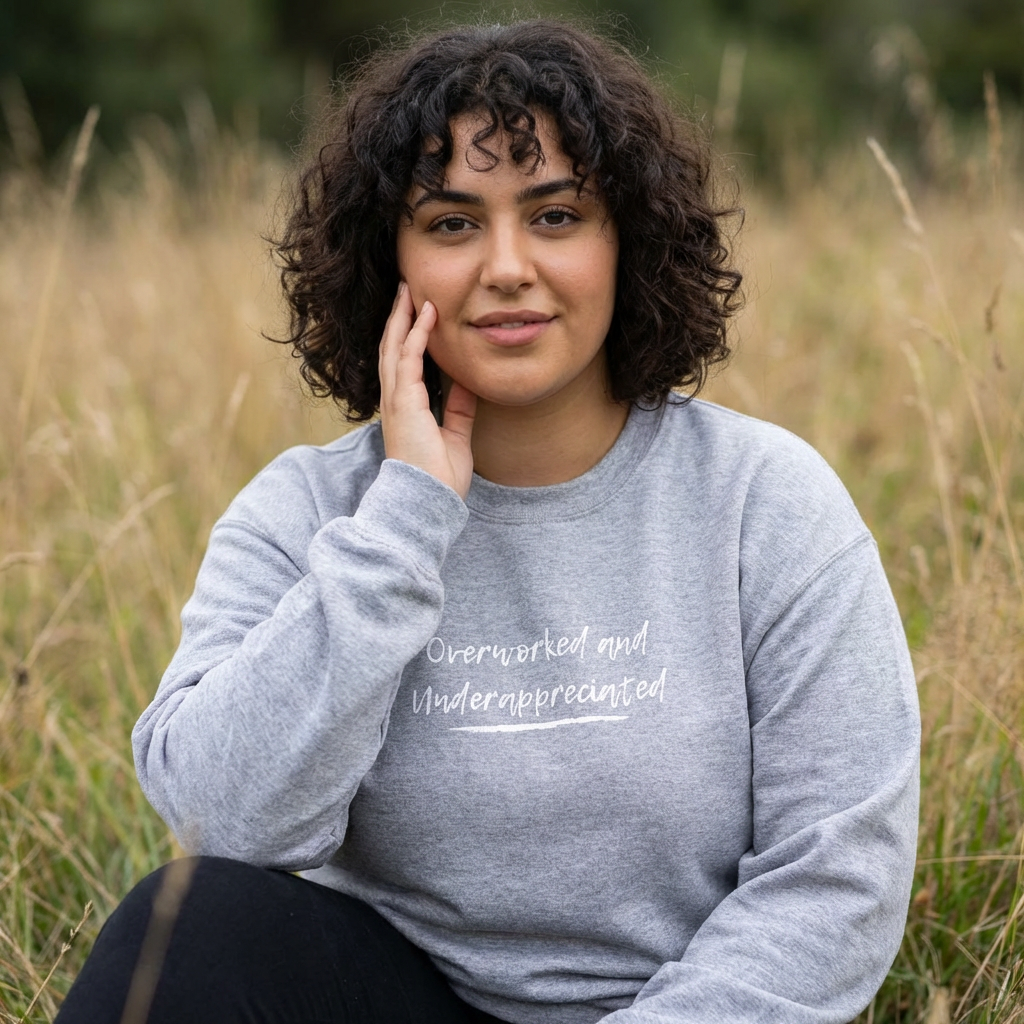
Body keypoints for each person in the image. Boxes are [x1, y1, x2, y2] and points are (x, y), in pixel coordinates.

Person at [56, 18, 920, 1024]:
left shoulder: (765, 501)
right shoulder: (306, 512)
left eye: (555, 216)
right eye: (453, 224)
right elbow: (227, 821)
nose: (507, 266)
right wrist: (405, 522)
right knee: (189, 918)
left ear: (624, 239)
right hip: (400, 1002)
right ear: (390, 262)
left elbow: (837, 877)